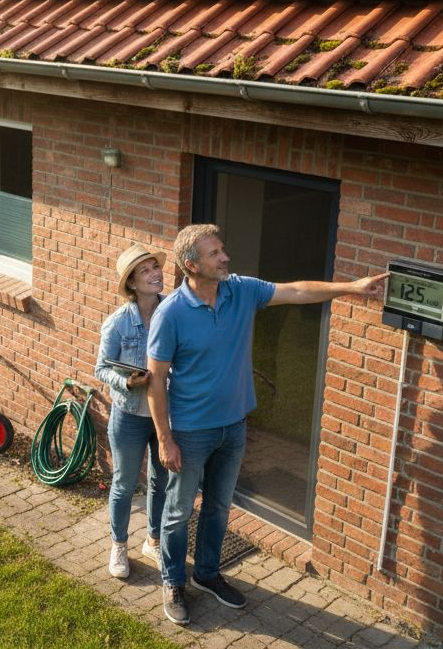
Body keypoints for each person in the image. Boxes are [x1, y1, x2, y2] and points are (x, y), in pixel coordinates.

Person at [146, 223, 388, 624]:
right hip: (189, 432)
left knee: (220, 508)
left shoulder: (240, 290)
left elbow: (294, 290)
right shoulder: (171, 314)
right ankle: (173, 580)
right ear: (191, 264)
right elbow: (155, 381)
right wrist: (164, 438)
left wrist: (351, 287)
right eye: (214, 253)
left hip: (234, 427)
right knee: (177, 511)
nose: (225, 257)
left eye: (223, 249)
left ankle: (206, 573)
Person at [94, 243, 169, 579]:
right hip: (129, 416)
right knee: (124, 484)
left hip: (165, 415)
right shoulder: (117, 324)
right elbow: (102, 370)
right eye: (146, 271)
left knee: (161, 481)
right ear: (133, 284)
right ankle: (119, 545)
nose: (155, 274)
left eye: (156, 267)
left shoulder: (174, 313)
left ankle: (152, 541)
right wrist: (127, 382)